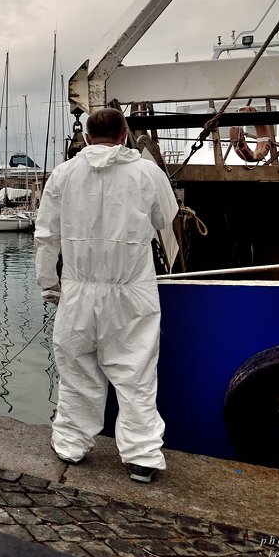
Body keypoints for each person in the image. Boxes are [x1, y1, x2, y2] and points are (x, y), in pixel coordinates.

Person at [33, 107, 178, 483]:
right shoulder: (147, 172)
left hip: (78, 290)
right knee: (136, 373)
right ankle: (142, 457)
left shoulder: (63, 175)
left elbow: (46, 236)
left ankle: (71, 444)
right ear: (124, 134)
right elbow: (166, 218)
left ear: (84, 136)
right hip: (131, 289)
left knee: (77, 370)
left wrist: (49, 284)